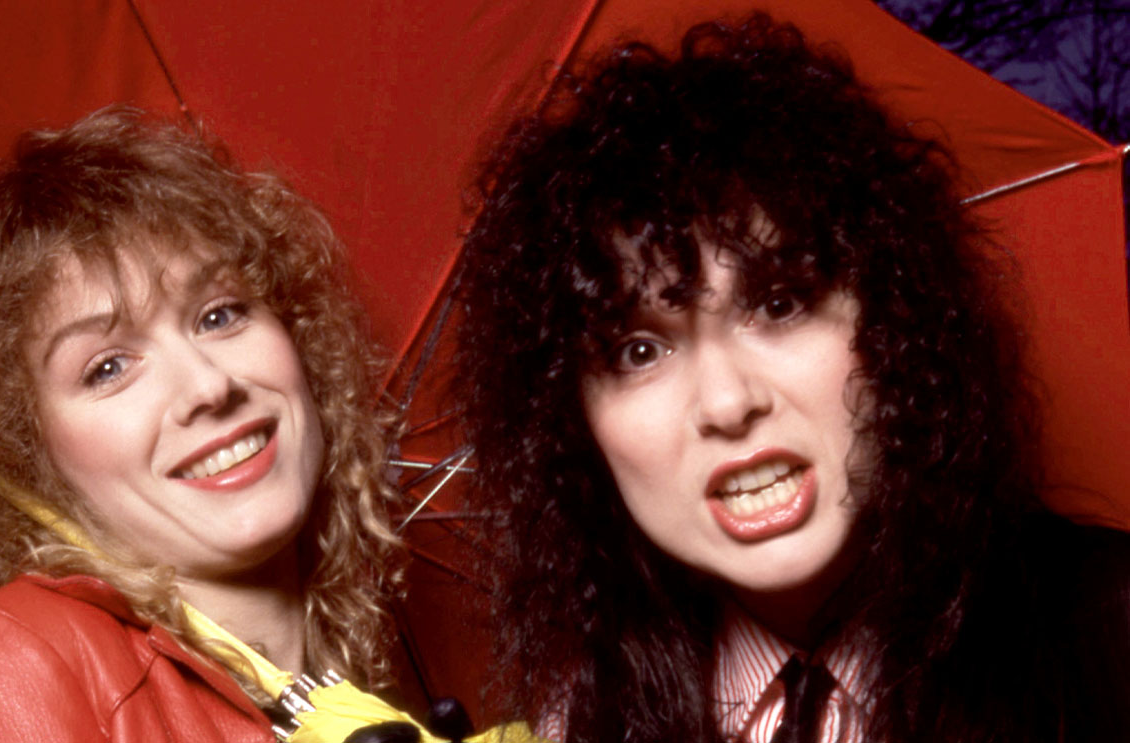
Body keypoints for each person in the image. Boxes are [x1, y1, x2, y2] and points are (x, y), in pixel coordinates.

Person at [454, 14, 1130, 743]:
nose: (727, 402)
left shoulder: (1108, 638)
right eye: (637, 351)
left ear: (893, 320)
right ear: (571, 424)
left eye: (779, 304)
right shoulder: (581, 726)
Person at [0, 108, 404, 741]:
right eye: (107, 368)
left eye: (219, 315)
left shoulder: (354, 706)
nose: (212, 386)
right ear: (27, 461)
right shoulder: (18, 660)